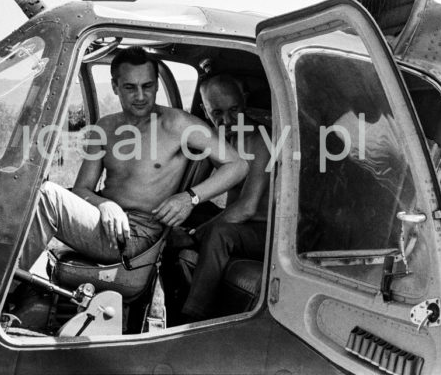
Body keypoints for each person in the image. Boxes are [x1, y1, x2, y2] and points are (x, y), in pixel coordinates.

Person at [19, 47, 248, 270]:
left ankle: (0, 295)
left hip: (139, 234)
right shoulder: (105, 127)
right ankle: (15, 288)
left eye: (147, 86)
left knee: (48, 197)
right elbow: (82, 189)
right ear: (115, 87)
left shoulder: (178, 124)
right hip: (105, 222)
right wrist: (105, 205)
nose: (140, 96)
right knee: (32, 196)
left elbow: (237, 165)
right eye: (130, 87)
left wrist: (190, 199)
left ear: (157, 84)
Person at [180, 74, 271, 321]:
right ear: (204, 111)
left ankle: (191, 317)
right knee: (192, 212)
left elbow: (247, 208)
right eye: (217, 113)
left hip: (267, 231)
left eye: (234, 110)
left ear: (244, 101)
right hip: (243, 227)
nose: (227, 120)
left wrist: (196, 234)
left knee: (218, 233)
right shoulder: (219, 138)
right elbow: (193, 188)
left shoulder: (260, 140)